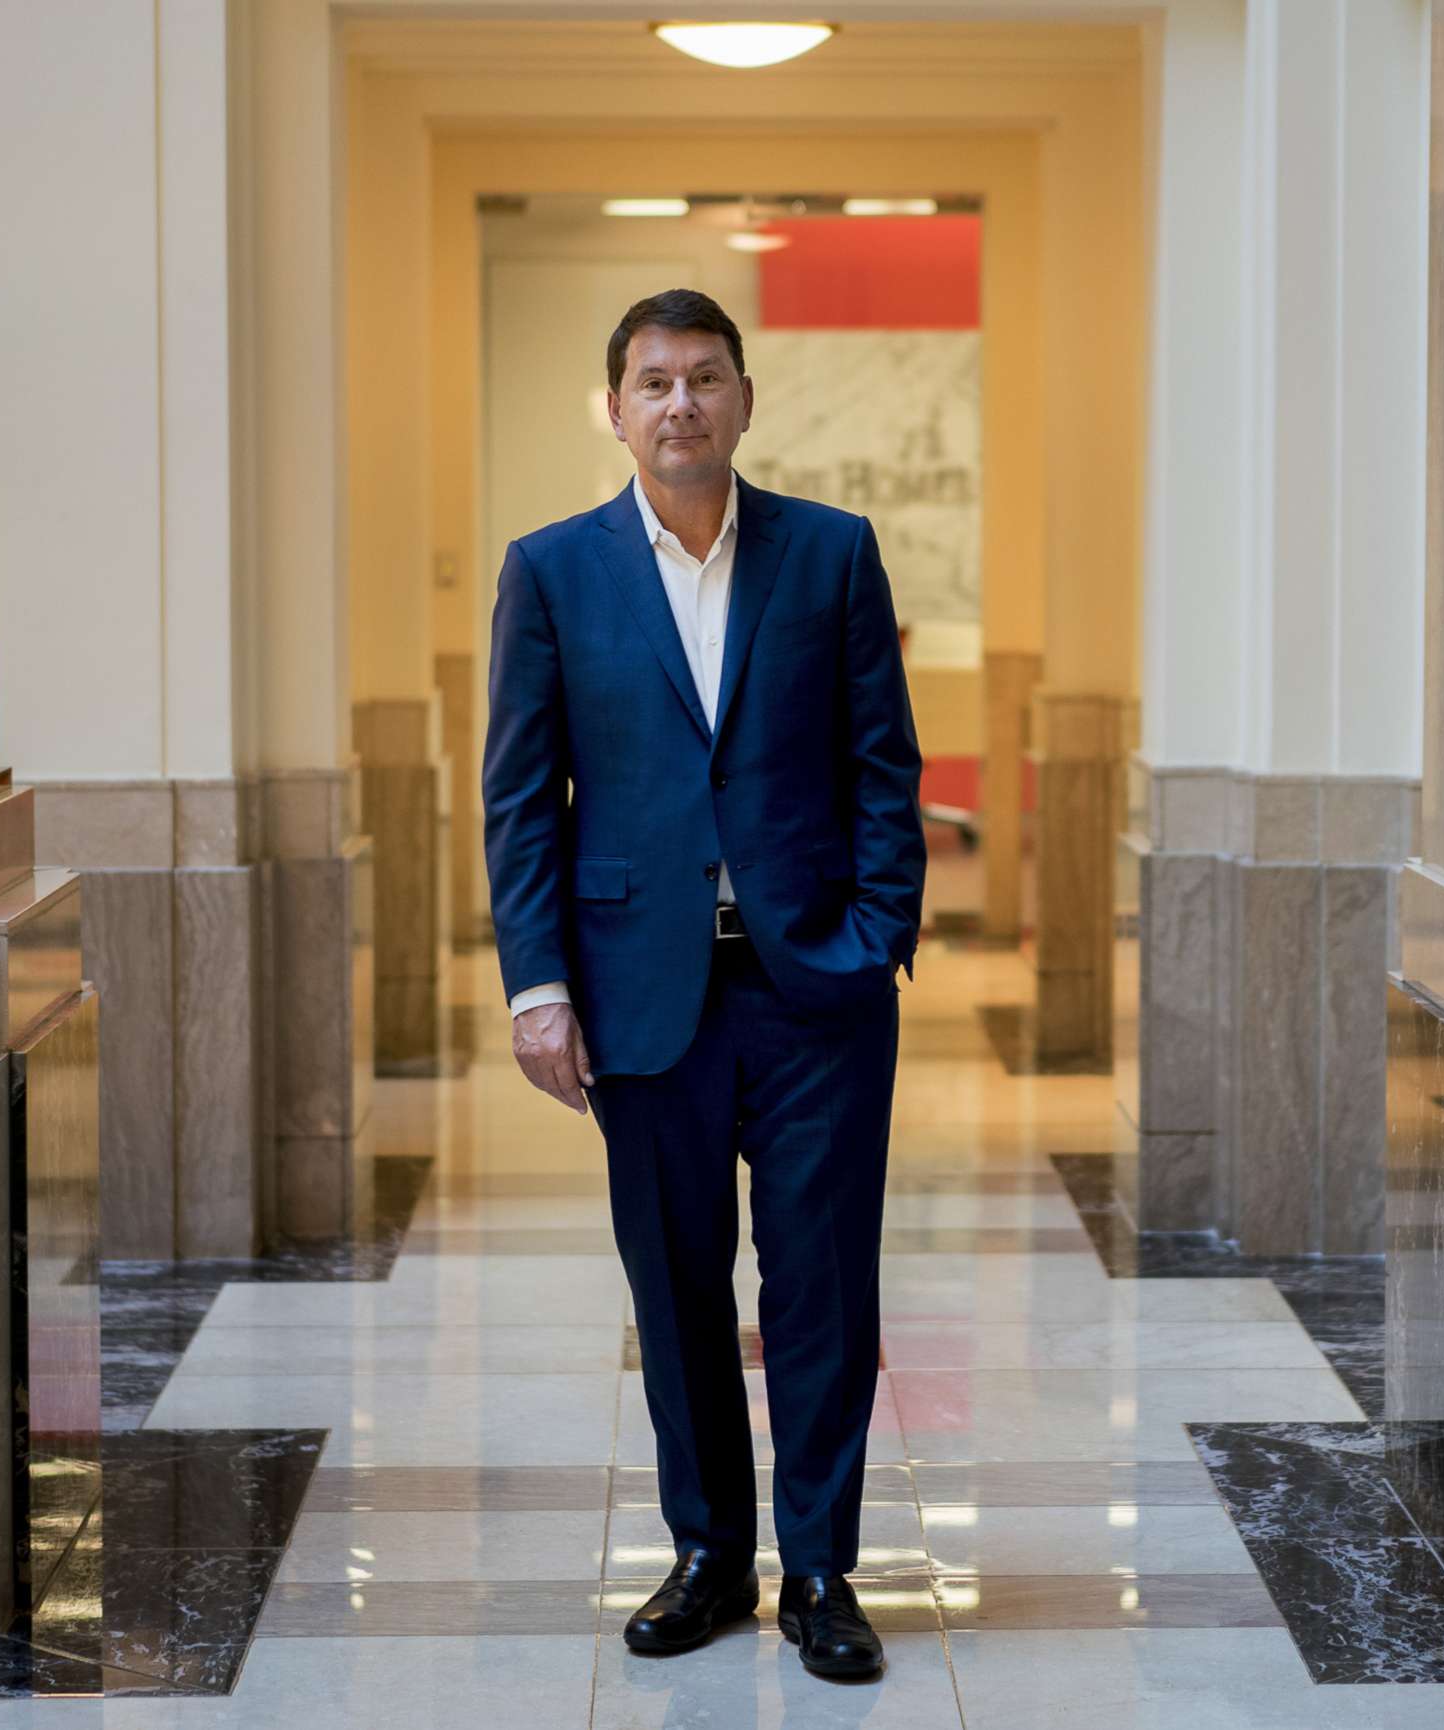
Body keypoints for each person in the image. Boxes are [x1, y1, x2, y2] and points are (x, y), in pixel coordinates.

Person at [481, 288, 926, 1680]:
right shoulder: (551, 571)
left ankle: (823, 1573)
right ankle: (709, 1556)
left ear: (746, 398)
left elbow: (883, 769)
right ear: (614, 408)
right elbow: (519, 798)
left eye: (706, 379)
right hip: (640, 993)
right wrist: (539, 982)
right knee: (674, 1284)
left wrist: (877, 935)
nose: (681, 405)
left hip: (814, 993)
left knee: (820, 1285)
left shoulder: (832, 554)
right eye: (654, 383)